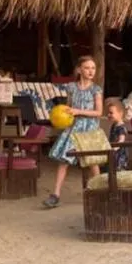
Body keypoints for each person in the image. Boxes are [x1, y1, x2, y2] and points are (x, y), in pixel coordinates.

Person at [43, 56, 103, 208]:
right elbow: (68, 107)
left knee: (93, 162)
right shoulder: (71, 87)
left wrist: (78, 111)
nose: (90, 71)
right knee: (64, 160)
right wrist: (62, 116)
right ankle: (55, 194)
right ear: (79, 69)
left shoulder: (96, 89)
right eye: (87, 68)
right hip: (74, 127)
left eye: (93, 68)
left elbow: (98, 112)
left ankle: (102, 193)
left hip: (90, 128)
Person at [105, 99, 130, 170]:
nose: (108, 115)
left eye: (111, 113)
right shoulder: (114, 125)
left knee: (118, 171)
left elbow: (121, 140)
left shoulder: (121, 127)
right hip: (112, 153)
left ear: (120, 113)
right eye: (108, 113)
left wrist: (115, 148)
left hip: (119, 154)